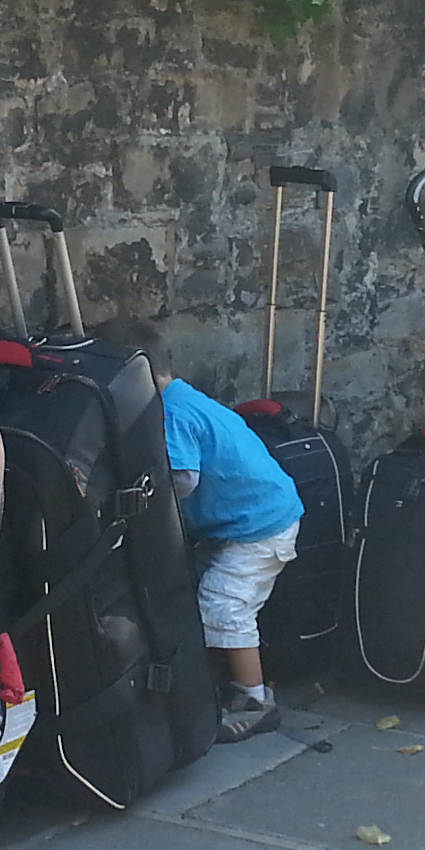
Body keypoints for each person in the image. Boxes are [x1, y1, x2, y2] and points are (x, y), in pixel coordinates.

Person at [92, 318, 300, 742]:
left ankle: (256, 701)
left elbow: (184, 477)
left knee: (225, 606)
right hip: (249, 518)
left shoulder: (170, 412)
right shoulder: (186, 397)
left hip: (257, 526)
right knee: (202, 595)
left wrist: (148, 504)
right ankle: (222, 684)